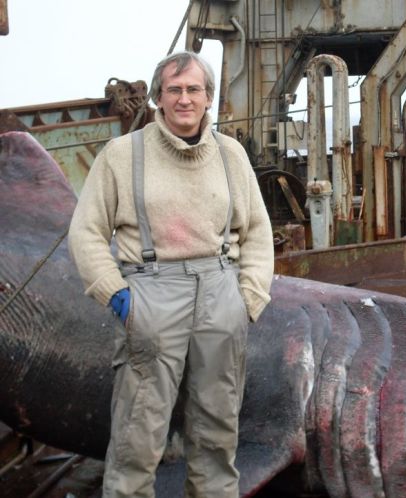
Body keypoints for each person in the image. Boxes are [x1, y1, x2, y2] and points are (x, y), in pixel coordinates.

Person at [68, 51, 274, 497]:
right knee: (138, 432)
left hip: (221, 291)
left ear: (208, 98)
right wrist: (118, 296)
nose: (184, 99)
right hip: (151, 292)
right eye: (174, 90)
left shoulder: (230, 154)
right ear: (159, 98)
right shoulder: (123, 154)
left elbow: (258, 230)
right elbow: (85, 232)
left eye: (194, 90)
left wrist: (248, 299)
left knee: (218, 432)